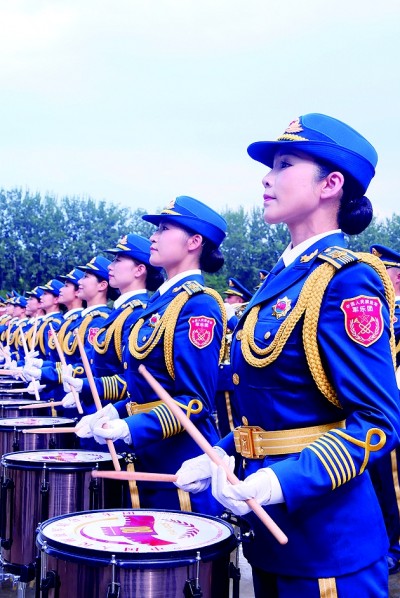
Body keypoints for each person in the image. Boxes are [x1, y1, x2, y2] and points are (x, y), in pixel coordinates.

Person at [175, 114, 400, 597]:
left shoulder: (347, 279)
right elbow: (274, 405)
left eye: (284, 164)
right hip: (272, 538)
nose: (266, 177)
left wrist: (280, 483)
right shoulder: (283, 278)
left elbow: (378, 422)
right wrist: (222, 453)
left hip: (327, 543)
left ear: (330, 185)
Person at [77, 196, 228, 515]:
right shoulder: (159, 304)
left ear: (194, 242)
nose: (153, 237)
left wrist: (131, 427)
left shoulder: (199, 305)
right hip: (149, 457)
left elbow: (195, 402)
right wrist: (115, 412)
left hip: (179, 466)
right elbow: (144, 390)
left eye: (163, 229)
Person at [61, 233, 164, 413]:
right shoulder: (120, 312)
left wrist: (86, 385)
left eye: (117, 260)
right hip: (100, 409)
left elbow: (133, 378)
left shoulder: (137, 313)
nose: (110, 266)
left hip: (119, 414)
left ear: (139, 270)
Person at [368, 244, 400, 574]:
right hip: (378, 401)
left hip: (394, 401)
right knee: (379, 478)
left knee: (393, 479)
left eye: (383, 271)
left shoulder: (393, 311)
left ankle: (396, 545)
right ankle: (385, 539)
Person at [215, 277, 253, 436]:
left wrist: (231, 318)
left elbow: (245, 335)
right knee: (225, 425)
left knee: (232, 426)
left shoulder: (242, 315)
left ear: (239, 300)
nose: (226, 300)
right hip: (223, 378)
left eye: (230, 297)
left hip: (230, 377)